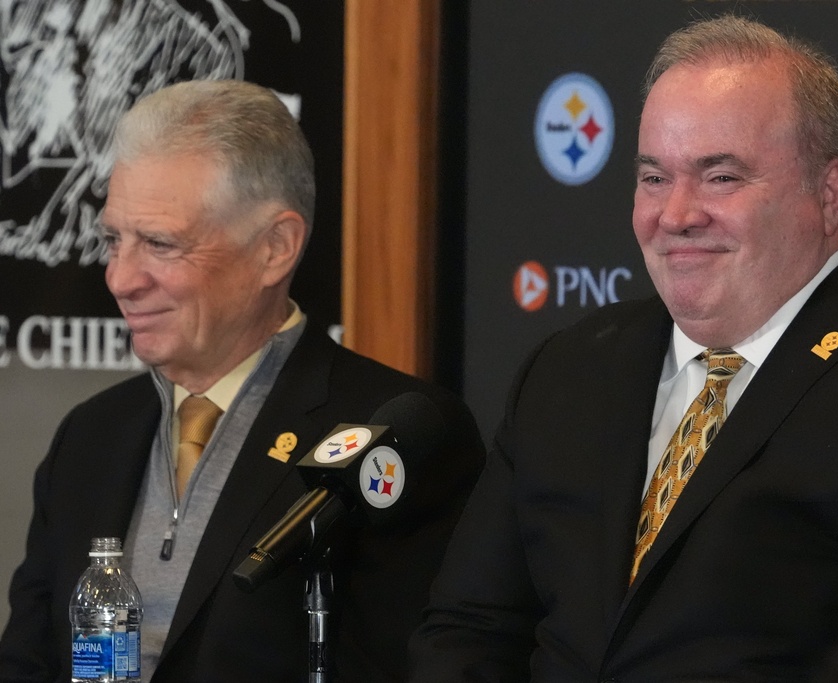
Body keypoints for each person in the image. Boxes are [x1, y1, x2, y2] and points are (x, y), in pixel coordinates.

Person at [409, 15, 838, 682]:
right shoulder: (571, 367)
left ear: (828, 192)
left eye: (720, 177)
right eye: (654, 178)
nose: (675, 215)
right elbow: (469, 632)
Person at [0, 79, 483, 682]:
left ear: (275, 248)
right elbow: (27, 662)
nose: (121, 279)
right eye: (113, 240)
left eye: (159, 244)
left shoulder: (391, 435)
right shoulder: (90, 436)